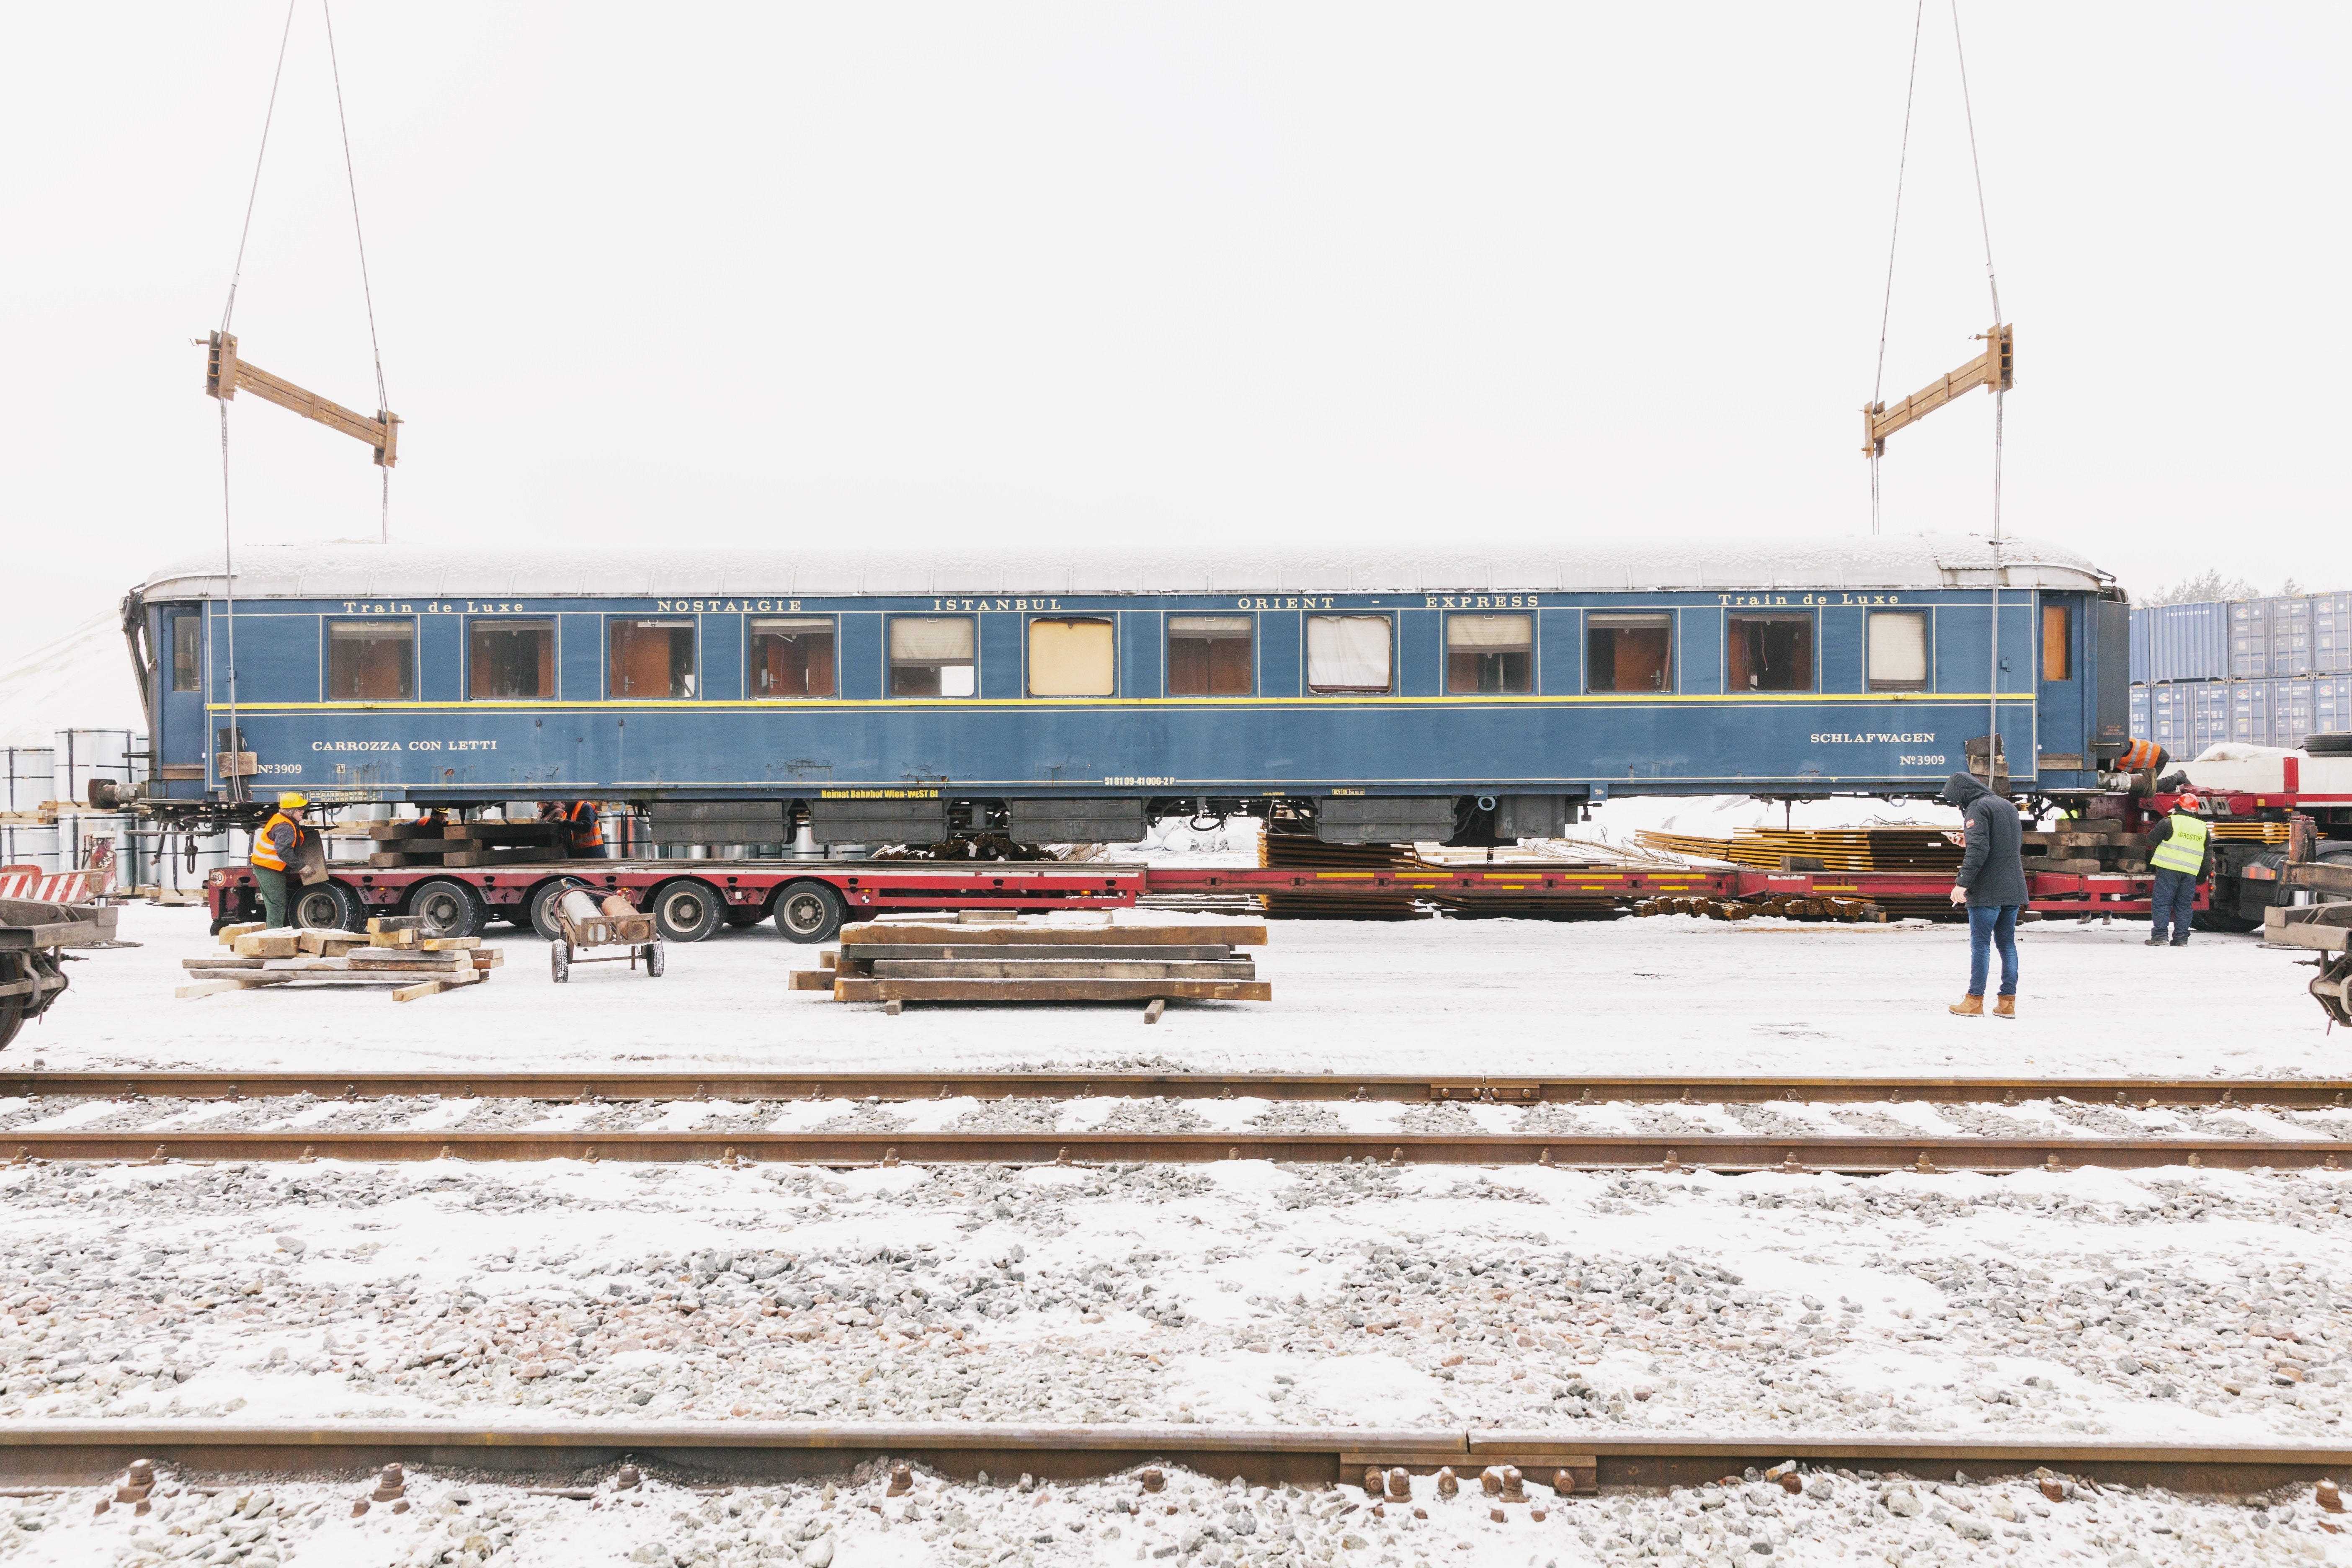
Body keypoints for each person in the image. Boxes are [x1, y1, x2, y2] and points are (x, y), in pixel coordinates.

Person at [1940, 771, 2028, 1018]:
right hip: (2012, 886)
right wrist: (1966, 840)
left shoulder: (1977, 808)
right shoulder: (2006, 806)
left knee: (1981, 945)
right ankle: (2007, 1003)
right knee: (2007, 945)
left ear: (1963, 794)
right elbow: (2002, 843)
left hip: (1988, 888)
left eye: (1956, 800)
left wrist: (1962, 883)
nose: (1957, 805)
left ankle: (1974, 1001)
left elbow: (1979, 851)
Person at [2145, 791, 2210, 947]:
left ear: (2178, 806)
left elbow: (2150, 840)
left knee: (2162, 903)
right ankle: (2181, 940)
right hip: (2190, 873)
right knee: (2184, 906)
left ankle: (2160, 937)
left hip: (2168, 870)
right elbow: (2207, 855)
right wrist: (2202, 876)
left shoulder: (2169, 822)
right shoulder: (2203, 828)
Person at [247, 792, 313, 929]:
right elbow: (284, 852)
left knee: (276, 903)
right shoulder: (285, 827)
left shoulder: (284, 821)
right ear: (291, 811)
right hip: (268, 868)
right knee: (276, 904)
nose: (303, 812)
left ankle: (275, 934)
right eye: (300, 809)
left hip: (269, 867)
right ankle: (273, 937)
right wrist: (301, 866)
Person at [542, 799, 608, 859]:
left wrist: (564, 823)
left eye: (564, 799)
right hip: (575, 854)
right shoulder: (566, 813)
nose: (562, 802)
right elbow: (567, 834)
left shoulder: (585, 807)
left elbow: (587, 827)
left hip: (592, 853)